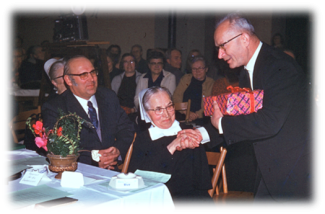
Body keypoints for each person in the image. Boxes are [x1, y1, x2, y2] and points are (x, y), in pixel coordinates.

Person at [209, 10, 320, 210]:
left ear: (243, 38)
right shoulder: (246, 73)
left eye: (222, 46)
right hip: (273, 175)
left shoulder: (279, 66)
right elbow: (242, 121)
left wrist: (223, 124)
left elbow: (269, 121)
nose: (219, 55)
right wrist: (200, 134)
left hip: (300, 177)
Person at [128, 86, 215, 210]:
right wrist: (173, 146)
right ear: (148, 113)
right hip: (155, 200)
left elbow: (201, 182)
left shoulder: (189, 132)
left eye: (169, 106)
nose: (166, 114)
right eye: (158, 109)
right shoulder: (143, 139)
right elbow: (138, 177)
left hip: (190, 201)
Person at [42, 55, 135, 170]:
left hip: (112, 172)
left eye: (93, 72)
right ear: (68, 80)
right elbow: (58, 148)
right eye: (83, 75)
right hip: (78, 172)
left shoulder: (108, 97)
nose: (91, 79)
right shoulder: (55, 107)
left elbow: (127, 129)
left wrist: (117, 150)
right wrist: (94, 160)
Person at [173, 56, 215, 125]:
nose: (197, 71)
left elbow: (210, 104)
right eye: (194, 69)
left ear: (206, 69)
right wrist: (186, 112)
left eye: (200, 68)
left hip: (202, 120)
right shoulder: (185, 79)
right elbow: (176, 97)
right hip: (182, 117)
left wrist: (196, 115)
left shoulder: (211, 83)